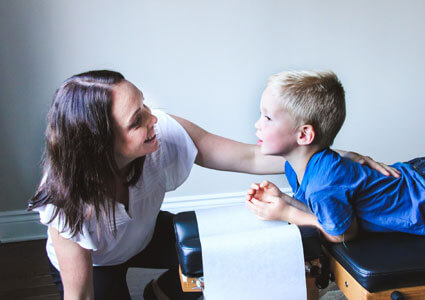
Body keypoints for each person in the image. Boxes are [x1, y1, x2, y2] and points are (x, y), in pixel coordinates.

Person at [29, 70, 395, 300]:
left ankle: (164, 291)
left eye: (145, 105)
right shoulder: (67, 200)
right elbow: (79, 293)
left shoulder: (163, 132)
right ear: (99, 142)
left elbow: (252, 157)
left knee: (236, 247)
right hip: (97, 264)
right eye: (137, 120)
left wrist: (333, 157)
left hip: (142, 234)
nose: (153, 118)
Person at [246, 70, 425, 243]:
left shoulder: (324, 182)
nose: (257, 124)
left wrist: (288, 213)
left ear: (304, 135)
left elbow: (343, 233)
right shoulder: (295, 168)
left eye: (267, 118)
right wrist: (284, 200)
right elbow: (325, 214)